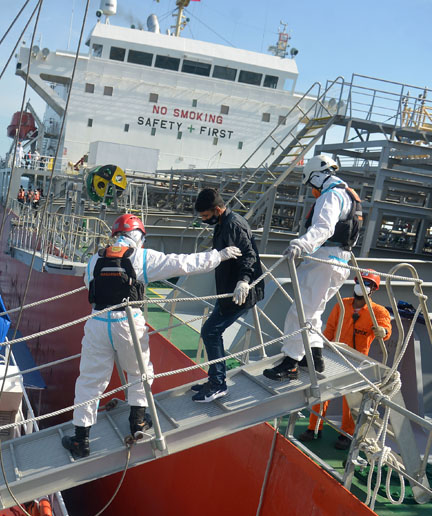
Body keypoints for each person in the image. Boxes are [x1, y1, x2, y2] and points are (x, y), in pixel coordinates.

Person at [62, 214, 242, 458]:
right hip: (129, 323)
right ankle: (137, 421)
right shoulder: (142, 256)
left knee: (90, 380)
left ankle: (81, 439)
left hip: (98, 322)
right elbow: (182, 263)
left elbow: (89, 285)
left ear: (116, 234)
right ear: (139, 236)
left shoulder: (96, 258)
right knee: (139, 371)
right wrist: (218, 256)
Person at [264, 154, 362, 381]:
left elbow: (324, 228)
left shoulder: (331, 196)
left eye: (311, 184)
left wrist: (301, 244)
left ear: (316, 176)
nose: (313, 190)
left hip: (324, 259)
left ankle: (290, 363)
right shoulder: (348, 195)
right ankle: (314, 356)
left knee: (300, 311)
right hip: (341, 261)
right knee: (314, 309)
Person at [297, 270, 392, 448]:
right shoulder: (342, 304)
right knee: (322, 392)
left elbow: (385, 328)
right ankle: (314, 428)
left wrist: (383, 331)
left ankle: (346, 434)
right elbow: (330, 329)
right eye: (360, 282)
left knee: (350, 400)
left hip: (357, 361)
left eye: (367, 283)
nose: (362, 286)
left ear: (373, 289)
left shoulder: (378, 311)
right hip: (334, 354)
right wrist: (320, 349)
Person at [191, 189, 265, 402]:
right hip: (228, 291)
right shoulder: (223, 223)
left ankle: (218, 384)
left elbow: (248, 254)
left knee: (211, 331)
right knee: (212, 331)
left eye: (206, 216)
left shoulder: (233, 225)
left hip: (239, 292)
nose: (204, 220)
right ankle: (215, 378)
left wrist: (244, 280)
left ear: (217, 210)